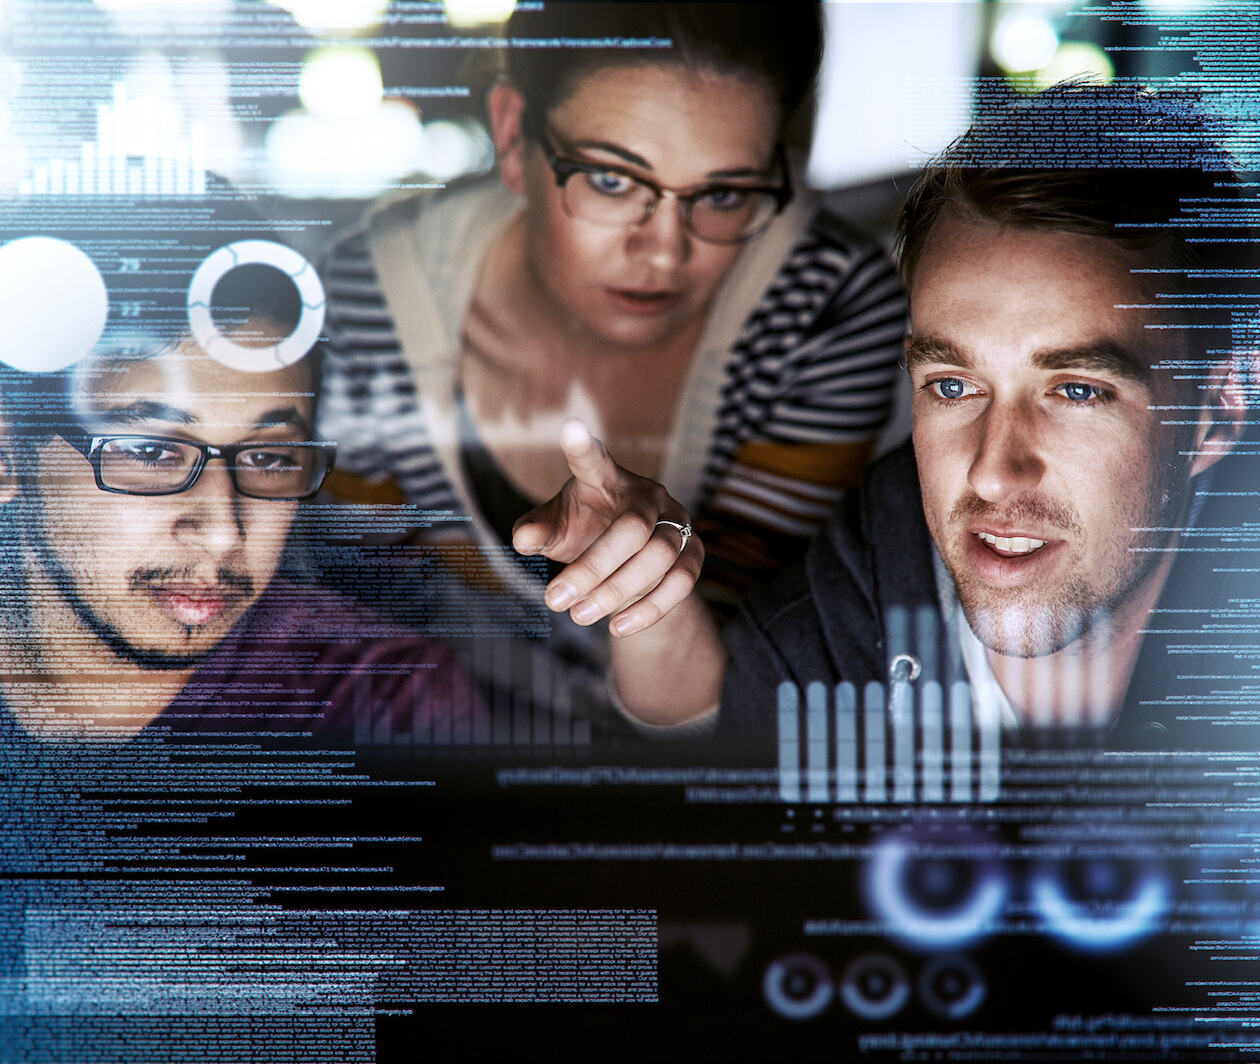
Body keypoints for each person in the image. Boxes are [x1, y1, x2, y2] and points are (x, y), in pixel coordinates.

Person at [558, 81, 1258, 749]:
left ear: (1219, 412)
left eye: (1076, 391)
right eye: (953, 386)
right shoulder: (833, 618)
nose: (991, 473)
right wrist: (649, 596)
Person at [317, 2, 907, 728]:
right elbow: (355, 643)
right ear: (511, 135)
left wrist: (654, 592)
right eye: (611, 181)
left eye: (722, 195)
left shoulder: (824, 301)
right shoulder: (369, 299)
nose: (663, 250)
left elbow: (731, 690)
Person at [0, 200, 476, 743]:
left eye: (267, 458)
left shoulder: (381, 705)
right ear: (9, 453)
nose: (225, 531)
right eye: (153, 452)